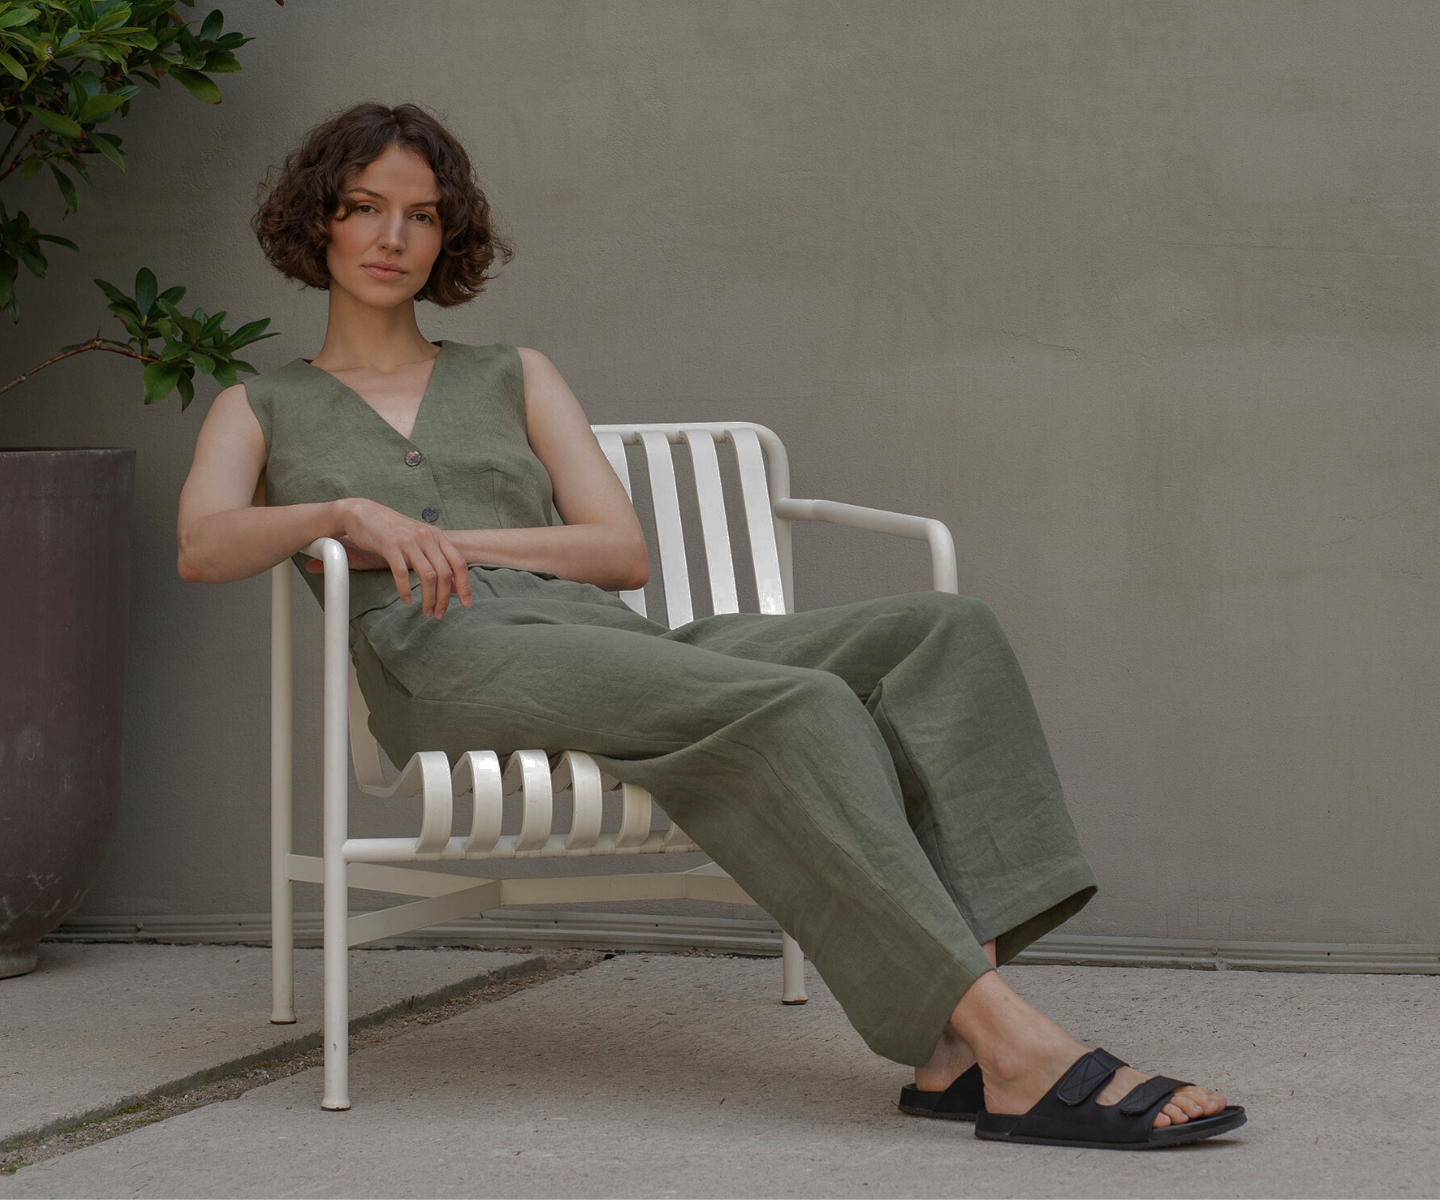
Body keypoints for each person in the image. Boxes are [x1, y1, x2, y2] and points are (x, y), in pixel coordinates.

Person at [177, 102, 1244, 1149]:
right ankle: (1016, 1049)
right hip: (444, 655)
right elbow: (204, 545)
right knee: (797, 704)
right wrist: (339, 515)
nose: (393, 237)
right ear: (319, 219)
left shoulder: (513, 375)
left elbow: (618, 553)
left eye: (421, 215)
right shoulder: (259, 406)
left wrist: (444, 537)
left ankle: (953, 1050)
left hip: (604, 643)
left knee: (945, 630)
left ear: (447, 234)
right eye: (365, 207)